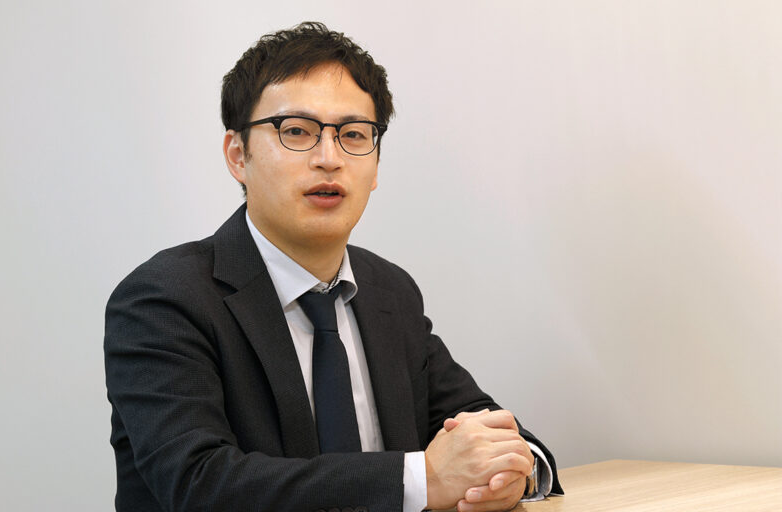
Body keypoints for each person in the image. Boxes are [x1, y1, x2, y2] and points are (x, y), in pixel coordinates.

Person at [105, 21, 563, 512]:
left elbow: (479, 422)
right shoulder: (164, 299)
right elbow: (199, 484)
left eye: (354, 134)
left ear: (376, 164)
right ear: (238, 156)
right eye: (296, 131)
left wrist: (513, 471)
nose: (329, 158)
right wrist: (423, 479)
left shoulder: (389, 291)